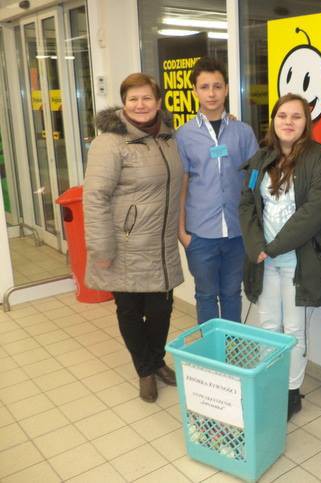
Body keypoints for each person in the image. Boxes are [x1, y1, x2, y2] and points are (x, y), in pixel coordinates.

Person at [239, 93, 321, 419]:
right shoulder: (261, 158)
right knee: (268, 325)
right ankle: (271, 383)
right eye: (282, 115)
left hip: (298, 261)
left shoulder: (320, 158)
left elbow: (314, 212)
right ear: (273, 120)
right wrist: (256, 246)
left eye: (296, 116)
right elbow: (247, 204)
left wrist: (272, 247)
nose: (288, 122)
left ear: (306, 122)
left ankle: (291, 392)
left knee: (295, 331)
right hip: (264, 261)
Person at [84, 73, 184, 403]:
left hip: (161, 245)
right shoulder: (109, 143)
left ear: (158, 102)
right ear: (124, 103)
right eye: (133, 99)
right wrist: (101, 248)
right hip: (124, 245)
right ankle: (145, 371)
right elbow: (95, 196)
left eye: (147, 98)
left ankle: (156, 361)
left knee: (161, 310)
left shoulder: (168, 138)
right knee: (129, 311)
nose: (140, 105)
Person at [176, 57, 259, 324]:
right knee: (206, 295)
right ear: (195, 91)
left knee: (232, 294)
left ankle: (231, 346)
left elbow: (254, 179)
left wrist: (252, 225)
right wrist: (182, 233)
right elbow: (181, 185)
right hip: (200, 234)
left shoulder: (242, 132)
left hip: (236, 233)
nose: (211, 93)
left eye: (217, 86)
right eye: (204, 87)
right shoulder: (184, 135)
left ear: (226, 89)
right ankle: (211, 348)